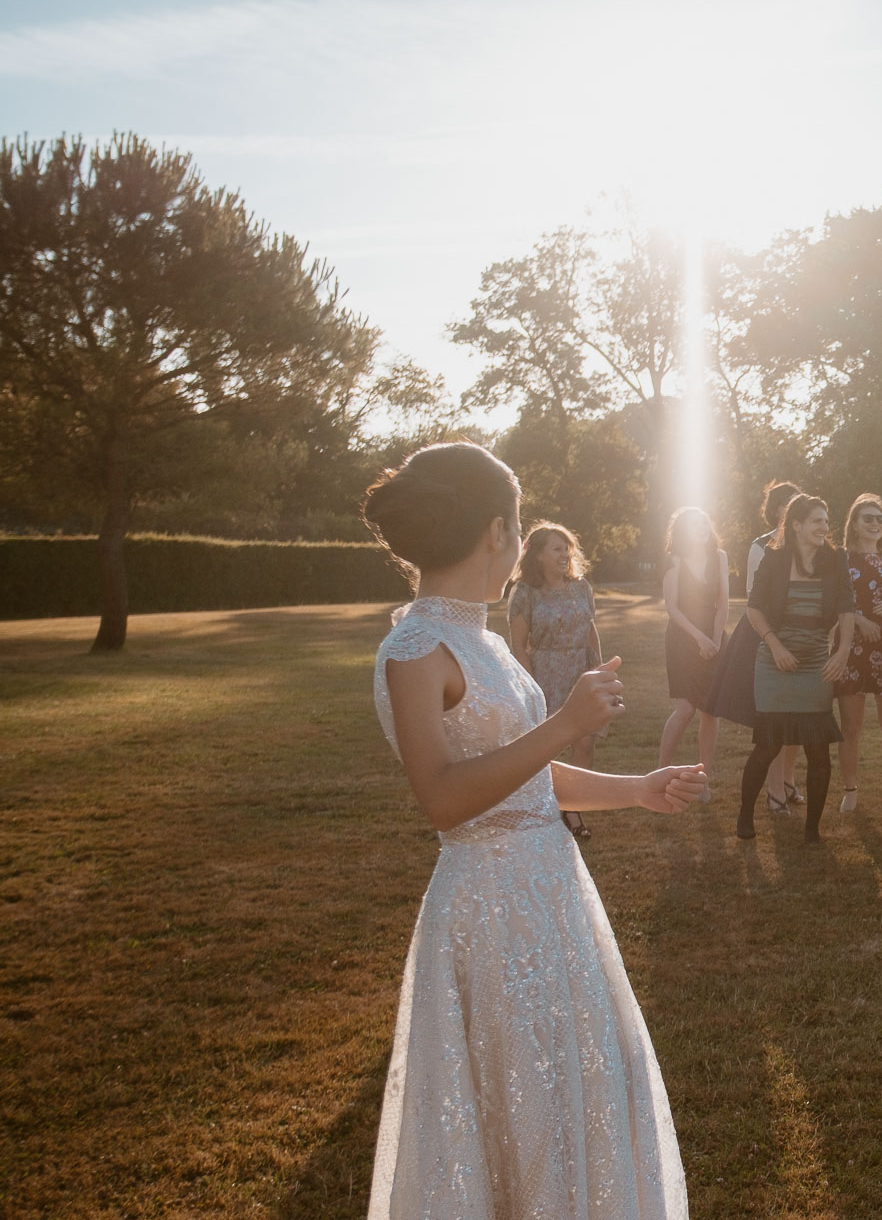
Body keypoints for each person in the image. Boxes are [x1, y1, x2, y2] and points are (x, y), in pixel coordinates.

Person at [364, 441, 701, 1217]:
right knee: (517, 1100)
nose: (518, 545)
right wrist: (567, 723)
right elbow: (445, 801)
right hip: (486, 906)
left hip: (553, 892)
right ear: (497, 532)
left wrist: (640, 790)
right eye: (517, 528)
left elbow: (525, 775)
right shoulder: (414, 649)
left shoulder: (483, 641)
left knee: (578, 1081)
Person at [737, 495, 856, 844]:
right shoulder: (775, 558)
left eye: (826, 520)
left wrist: (843, 650)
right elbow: (753, 609)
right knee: (768, 746)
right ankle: (745, 816)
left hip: (817, 660)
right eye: (817, 520)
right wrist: (775, 645)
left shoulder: (835, 559)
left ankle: (812, 829)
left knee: (818, 749)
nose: (825, 527)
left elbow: (847, 607)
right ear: (797, 525)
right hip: (776, 659)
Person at [705, 480, 803, 809]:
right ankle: (774, 792)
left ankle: (788, 780)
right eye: (789, 504)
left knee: (800, 715)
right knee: (774, 717)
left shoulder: (815, 545)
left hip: (805, 636)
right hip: (766, 635)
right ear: (776, 510)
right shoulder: (761, 546)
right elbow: (754, 597)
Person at [508, 523, 606, 840]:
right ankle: (541, 805)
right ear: (537, 555)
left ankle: (574, 808)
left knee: (586, 741)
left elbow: (590, 630)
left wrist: (599, 668)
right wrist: (531, 685)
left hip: (581, 669)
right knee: (545, 747)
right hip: (544, 672)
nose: (565, 554)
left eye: (567, 548)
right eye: (556, 548)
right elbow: (518, 646)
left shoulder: (581, 587)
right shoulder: (524, 593)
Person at [835, 494, 882, 816]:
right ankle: (850, 790)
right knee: (850, 725)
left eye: (879, 519)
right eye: (867, 518)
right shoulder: (841, 560)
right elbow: (833, 603)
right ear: (854, 523)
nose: (875, 524)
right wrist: (860, 620)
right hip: (850, 645)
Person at [659, 507, 729, 778]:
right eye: (693, 525)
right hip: (683, 639)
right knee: (686, 708)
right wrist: (700, 639)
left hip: (714, 636)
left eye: (703, 523)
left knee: (711, 711)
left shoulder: (719, 557)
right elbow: (672, 609)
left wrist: (715, 639)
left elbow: (723, 603)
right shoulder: (674, 561)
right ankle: (661, 771)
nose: (700, 529)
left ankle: (703, 778)